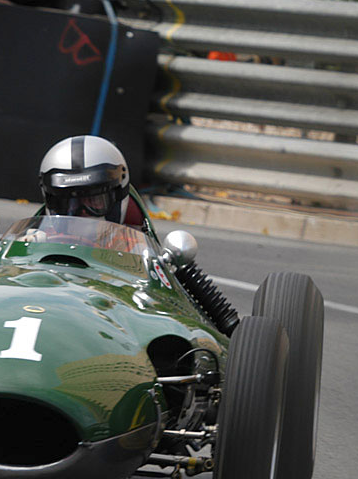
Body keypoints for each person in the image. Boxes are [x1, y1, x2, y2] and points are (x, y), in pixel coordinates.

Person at [38, 135, 239, 335]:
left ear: (118, 195)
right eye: (67, 203)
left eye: (94, 201)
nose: (81, 213)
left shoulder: (138, 249)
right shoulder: (32, 240)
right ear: (50, 199)